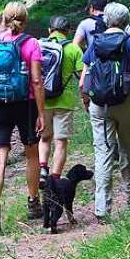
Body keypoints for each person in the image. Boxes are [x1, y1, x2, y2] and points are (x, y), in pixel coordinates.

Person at [80, 2, 130, 223]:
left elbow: (85, 78)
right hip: (126, 102)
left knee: (102, 153)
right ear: (126, 21)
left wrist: (87, 99)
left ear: (106, 20)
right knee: (128, 149)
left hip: (100, 105)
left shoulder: (96, 42)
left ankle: (102, 208)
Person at [0, 1, 46, 233]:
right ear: (25, 20)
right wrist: (41, 112)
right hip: (25, 104)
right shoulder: (32, 44)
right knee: (31, 154)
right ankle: (33, 202)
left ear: (4, 18)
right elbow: (36, 81)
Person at [38, 15, 85, 189]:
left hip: (42, 101)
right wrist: (86, 98)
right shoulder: (74, 48)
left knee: (44, 138)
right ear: (68, 31)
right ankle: (54, 178)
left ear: (49, 30)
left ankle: (43, 169)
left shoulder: (38, 45)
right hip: (64, 102)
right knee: (61, 142)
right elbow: (82, 77)